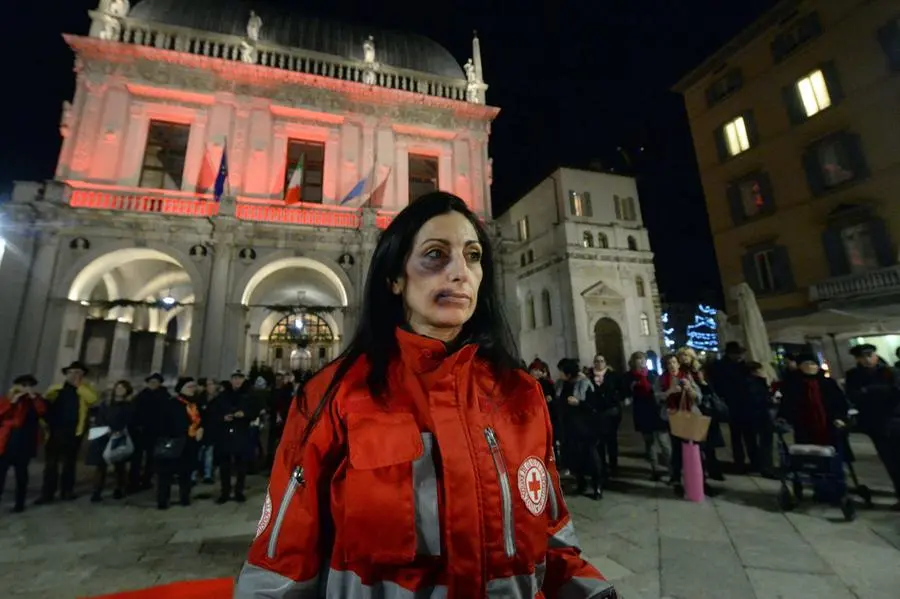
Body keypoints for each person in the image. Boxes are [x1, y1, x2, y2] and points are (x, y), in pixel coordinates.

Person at [234, 191, 615, 598]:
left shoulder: (519, 393)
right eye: (435, 254)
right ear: (394, 278)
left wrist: (590, 591)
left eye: (472, 256)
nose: (460, 272)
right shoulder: (335, 395)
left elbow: (552, 534)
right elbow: (282, 561)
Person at [844, 344, 900, 510]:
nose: (868, 359)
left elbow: (896, 392)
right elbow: (852, 395)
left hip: (896, 420)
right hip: (875, 424)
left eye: (870, 355)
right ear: (858, 359)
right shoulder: (853, 375)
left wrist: (868, 391)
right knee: (891, 463)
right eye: (863, 356)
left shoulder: (890, 372)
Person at [37, 361, 98, 503]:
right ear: (66, 374)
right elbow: (44, 406)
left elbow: (93, 399)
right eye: (71, 372)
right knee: (51, 464)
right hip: (55, 431)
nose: (74, 375)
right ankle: (47, 493)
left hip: (74, 432)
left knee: (69, 464)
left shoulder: (86, 388)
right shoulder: (56, 388)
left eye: (78, 373)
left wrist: (79, 387)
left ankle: (67, 491)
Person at [556, 357, 603, 499]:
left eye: (562, 371)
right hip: (569, 427)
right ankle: (580, 483)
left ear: (569, 372)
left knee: (591, 457)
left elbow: (593, 406)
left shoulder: (585, 384)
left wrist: (579, 403)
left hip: (585, 427)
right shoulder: (561, 385)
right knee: (575, 457)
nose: (560, 374)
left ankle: (597, 486)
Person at [0, 375, 47, 512]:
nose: (25, 388)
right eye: (22, 385)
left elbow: (43, 412)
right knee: (1, 472)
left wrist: (34, 398)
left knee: (21, 474)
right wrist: (12, 401)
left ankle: (19, 503)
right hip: (7, 440)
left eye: (28, 385)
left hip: (25, 441)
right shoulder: (7, 399)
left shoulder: (35, 400)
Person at [656, 354, 701, 497]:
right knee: (677, 449)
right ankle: (677, 480)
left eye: (674, 362)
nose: (672, 365)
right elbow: (657, 397)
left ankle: (696, 478)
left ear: (678, 364)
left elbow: (698, 397)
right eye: (669, 363)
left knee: (694, 447)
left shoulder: (686, 377)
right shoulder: (661, 379)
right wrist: (669, 391)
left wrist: (689, 389)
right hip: (672, 417)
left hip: (689, 416)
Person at [156, 377, 203, 510]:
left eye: (193, 386)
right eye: (189, 386)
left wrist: (200, 429)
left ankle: (184, 497)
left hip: (189, 443)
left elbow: (200, 420)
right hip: (174, 442)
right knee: (166, 474)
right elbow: (166, 422)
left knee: (186, 472)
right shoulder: (172, 403)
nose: (192, 389)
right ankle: (163, 499)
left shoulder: (195, 404)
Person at [212, 370, 258, 504]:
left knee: (241, 464)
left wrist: (245, 414)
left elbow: (255, 410)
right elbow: (214, 411)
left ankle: (239, 491)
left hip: (241, 431)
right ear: (231, 380)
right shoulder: (223, 395)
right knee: (224, 464)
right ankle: (224, 491)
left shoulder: (249, 395)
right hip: (225, 433)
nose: (237, 381)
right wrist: (223, 417)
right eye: (235, 378)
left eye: (240, 378)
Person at [623, 352, 669, 481]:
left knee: (664, 442)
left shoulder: (653, 373)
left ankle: (672, 469)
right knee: (649, 442)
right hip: (642, 411)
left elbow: (659, 390)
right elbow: (625, 393)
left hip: (656, 410)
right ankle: (655, 469)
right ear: (633, 362)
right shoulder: (628, 376)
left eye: (643, 359)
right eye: (638, 359)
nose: (641, 362)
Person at [88, 380, 136, 502]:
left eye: (123, 388)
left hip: (119, 436)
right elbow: (100, 417)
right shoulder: (106, 403)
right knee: (100, 465)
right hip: (103, 435)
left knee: (119, 464)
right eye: (118, 387)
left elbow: (129, 421)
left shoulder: (129, 405)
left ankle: (119, 488)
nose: (119, 389)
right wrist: (105, 429)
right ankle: (96, 491)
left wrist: (118, 431)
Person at [129, 373, 169, 492]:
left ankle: (146, 479)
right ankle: (134, 481)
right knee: (137, 458)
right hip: (140, 431)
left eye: (155, 382)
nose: (153, 384)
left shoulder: (164, 396)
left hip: (155, 432)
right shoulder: (141, 396)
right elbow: (134, 412)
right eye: (151, 382)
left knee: (151, 458)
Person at [588, 354, 623, 480]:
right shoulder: (589, 376)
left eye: (602, 361)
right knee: (599, 441)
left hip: (610, 412)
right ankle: (602, 465)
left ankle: (614, 465)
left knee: (611, 440)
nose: (599, 363)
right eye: (597, 361)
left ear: (605, 363)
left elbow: (621, 389)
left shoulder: (612, 375)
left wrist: (616, 399)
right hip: (596, 413)